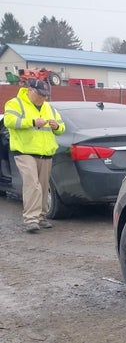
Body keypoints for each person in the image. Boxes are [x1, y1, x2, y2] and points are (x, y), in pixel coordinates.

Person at [3, 79, 65, 232]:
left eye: (46, 95)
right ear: (30, 90)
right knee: (33, 184)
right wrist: (31, 122)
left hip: (45, 153)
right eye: (40, 94)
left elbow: (62, 127)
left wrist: (57, 126)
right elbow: (9, 121)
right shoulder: (15, 103)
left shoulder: (49, 108)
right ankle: (31, 219)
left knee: (43, 187)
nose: (43, 98)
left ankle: (42, 217)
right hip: (24, 151)